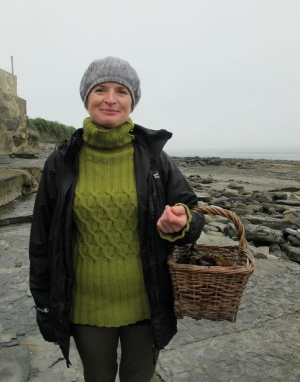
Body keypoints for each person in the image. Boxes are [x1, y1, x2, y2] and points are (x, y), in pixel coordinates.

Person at [29, 56, 205, 382]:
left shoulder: (153, 157)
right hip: (86, 309)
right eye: (100, 89)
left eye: (121, 91)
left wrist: (181, 223)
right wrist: (44, 304)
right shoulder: (62, 160)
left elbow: (193, 214)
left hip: (146, 304)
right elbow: (42, 239)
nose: (111, 98)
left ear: (132, 102)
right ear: (86, 98)